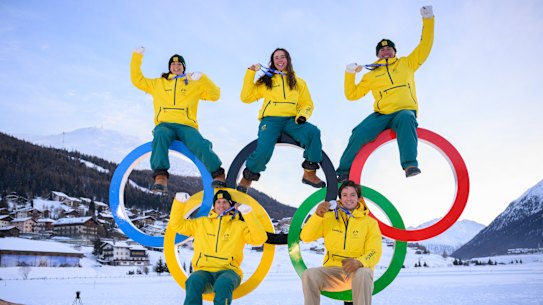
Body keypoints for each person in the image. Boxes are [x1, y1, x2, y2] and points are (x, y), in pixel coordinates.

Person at [336, 6, 435, 181]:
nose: (386, 51)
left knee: (406, 118)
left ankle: (410, 164)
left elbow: (425, 46)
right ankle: (343, 171)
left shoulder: (407, 63)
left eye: (389, 48)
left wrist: (428, 20)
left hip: (403, 111)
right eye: (382, 50)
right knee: (359, 132)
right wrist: (350, 74)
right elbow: (352, 95)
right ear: (378, 54)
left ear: (395, 52)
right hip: (381, 115)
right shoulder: (372, 74)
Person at [130, 47, 226, 193]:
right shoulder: (158, 84)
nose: (176, 66)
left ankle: (218, 174)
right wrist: (137, 56)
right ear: (169, 67)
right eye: (173, 64)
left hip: (186, 125)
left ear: (183, 67)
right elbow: (137, 80)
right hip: (165, 124)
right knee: (160, 134)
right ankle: (160, 176)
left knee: (199, 143)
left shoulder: (193, 84)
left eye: (179, 64)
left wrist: (203, 79)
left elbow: (215, 95)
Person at [237, 48, 325, 193]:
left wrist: (303, 115)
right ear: (272, 61)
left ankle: (309, 172)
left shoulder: (299, 82)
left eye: (282, 57)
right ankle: (248, 177)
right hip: (271, 120)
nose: (279, 60)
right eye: (276, 58)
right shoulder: (267, 80)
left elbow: (307, 104)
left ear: (288, 60)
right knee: (264, 148)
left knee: (313, 132)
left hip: (292, 120)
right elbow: (245, 97)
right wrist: (250, 73)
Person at [168, 189, 268, 305]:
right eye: (218, 202)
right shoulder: (200, 223)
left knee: (223, 283)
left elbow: (260, 238)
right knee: (193, 281)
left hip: (229, 271)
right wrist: (179, 203)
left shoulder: (240, 226)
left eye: (225, 202)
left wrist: (247, 213)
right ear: (214, 206)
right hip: (204, 270)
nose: (221, 205)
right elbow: (177, 225)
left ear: (231, 205)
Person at [300, 180, 382, 305]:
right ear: (340, 198)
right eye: (345, 195)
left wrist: (360, 262)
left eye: (352, 195)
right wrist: (317, 216)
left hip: (358, 273)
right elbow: (305, 237)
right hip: (334, 272)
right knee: (309, 275)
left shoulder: (370, 223)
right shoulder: (329, 217)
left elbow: (374, 251)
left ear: (358, 198)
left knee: (364, 272)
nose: (349, 198)